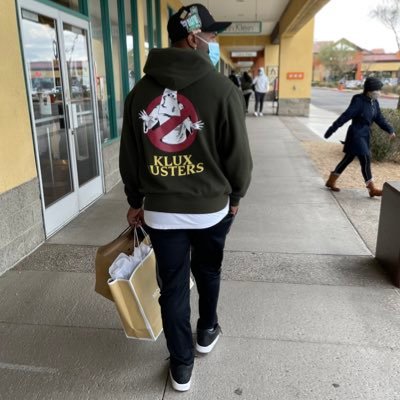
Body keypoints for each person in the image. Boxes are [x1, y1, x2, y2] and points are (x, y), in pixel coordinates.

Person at [119, 3, 252, 392]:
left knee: (173, 286)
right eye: (211, 36)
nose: (214, 42)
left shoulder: (140, 93)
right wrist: (237, 193)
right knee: (208, 271)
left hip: (161, 212)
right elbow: (238, 155)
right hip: (212, 208)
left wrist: (134, 197)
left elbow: (130, 154)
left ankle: (181, 366)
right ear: (194, 38)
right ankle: (207, 330)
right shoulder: (222, 89)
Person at [324, 76, 396, 197]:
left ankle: (331, 181)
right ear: (369, 90)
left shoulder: (374, 103)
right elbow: (346, 116)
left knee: (348, 159)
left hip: (365, 135)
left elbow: (379, 118)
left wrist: (390, 130)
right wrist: (332, 129)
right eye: (377, 90)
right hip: (356, 134)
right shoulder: (359, 101)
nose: (379, 92)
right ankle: (371, 189)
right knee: (365, 158)